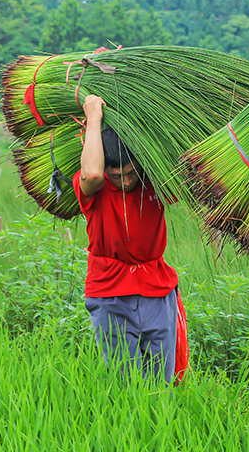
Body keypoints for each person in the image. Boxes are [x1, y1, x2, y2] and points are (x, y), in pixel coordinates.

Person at [73, 94, 180, 383]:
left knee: (161, 380)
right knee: (124, 382)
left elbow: (184, 159)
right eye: (117, 175)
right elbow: (93, 172)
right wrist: (93, 117)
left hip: (157, 290)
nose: (127, 181)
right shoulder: (93, 186)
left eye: (131, 173)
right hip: (110, 293)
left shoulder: (154, 180)